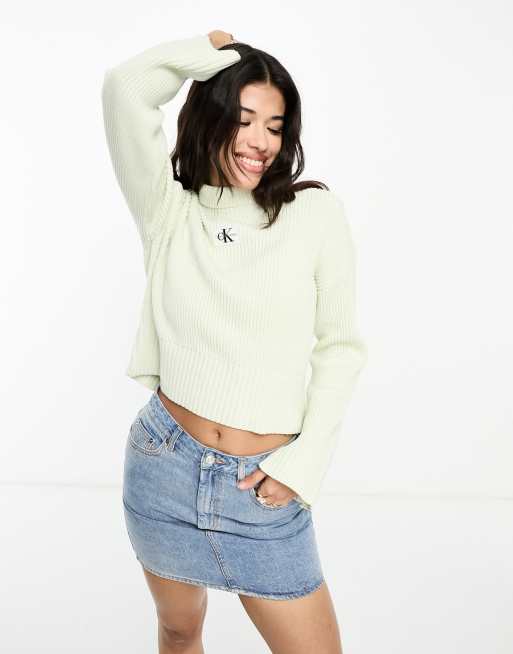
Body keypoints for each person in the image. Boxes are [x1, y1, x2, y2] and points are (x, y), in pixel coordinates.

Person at [101, 28, 368, 654]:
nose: (260, 142)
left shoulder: (313, 214)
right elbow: (124, 89)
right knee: (179, 630)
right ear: (211, 117)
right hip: (164, 466)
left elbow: (340, 348)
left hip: (264, 489)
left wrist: (304, 465)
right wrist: (211, 53)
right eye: (243, 120)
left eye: (275, 127)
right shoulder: (170, 209)